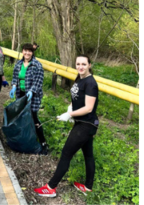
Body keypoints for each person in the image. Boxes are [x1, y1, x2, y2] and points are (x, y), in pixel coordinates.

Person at [34, 55, 100, 197]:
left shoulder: (91, 83)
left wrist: (71, 115)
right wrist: (70, 109)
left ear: (89, 65)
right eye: (78, 64)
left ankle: (51, 187)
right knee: (88, 155)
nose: (80, 67)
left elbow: (88, 108)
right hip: (82, 122)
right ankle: (88, 187)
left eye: (83, 64)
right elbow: (77, 99)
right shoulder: (80, 78)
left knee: (66, 154)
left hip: (85, 125)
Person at [10, 43, 48, 155]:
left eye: (29, 51)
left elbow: (38, 81)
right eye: (25, 51)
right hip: (21, 95)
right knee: (22, 117)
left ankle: (43, 143)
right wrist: (13, 86)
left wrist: (32, 91)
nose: (27, 53)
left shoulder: (37, 65)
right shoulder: (18, 64)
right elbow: (15, 77)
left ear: (32, 52)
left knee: (33, 117)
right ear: (22, 51)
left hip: (32, 96)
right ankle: (26, 140)